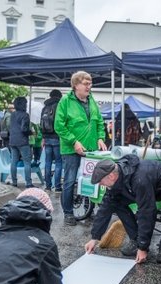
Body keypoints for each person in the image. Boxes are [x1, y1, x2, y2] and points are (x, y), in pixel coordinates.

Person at [84, 155, 161, 264]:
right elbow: (105, 208)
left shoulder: (139, 179)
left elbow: (146, 212)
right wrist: (94, 238)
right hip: (152, 188)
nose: (100, 184)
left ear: (111, 176)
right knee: (115, 203)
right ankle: (135, 239)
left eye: (101, 181)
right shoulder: (117, 178)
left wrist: (143, 248)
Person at [55, 71, 107, 226]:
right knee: (70, 180)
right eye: (86, 83)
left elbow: (99, 122)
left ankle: (87, 209)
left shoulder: (92, 101)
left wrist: (100, 138)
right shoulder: (65, 101)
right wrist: (74, 142)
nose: (89, 87)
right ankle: (68, 213)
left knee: (92, 180)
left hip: (91, 148)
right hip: (71, 149)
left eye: (90, 83)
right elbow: (59, 126)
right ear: (76, 85)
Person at [41, 89, 63, 193]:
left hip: (46, 138)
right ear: (59, 96)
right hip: (57, 138)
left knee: (48, 162)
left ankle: (48, 186)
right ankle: (57, 187)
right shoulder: (60, 106)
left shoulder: (45, 107)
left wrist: (43, 138)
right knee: (59, 162)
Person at [8, 96, 33, 188]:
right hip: (22, 141)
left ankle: (14, 182)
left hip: (13, 140)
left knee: (13, 161)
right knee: (27, 162)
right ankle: (28, 183)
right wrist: (31, 132)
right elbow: (24, 129)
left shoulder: (13, 114)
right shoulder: (25, 115)